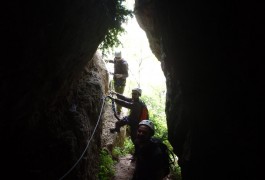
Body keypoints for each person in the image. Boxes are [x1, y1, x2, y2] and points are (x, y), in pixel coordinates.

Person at [107, 88, 149, 158]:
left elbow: (125, 104)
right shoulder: (134, 100)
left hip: (135, 122)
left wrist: (114, 99)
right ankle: (117, 130)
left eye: (135, 94)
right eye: (132, 93)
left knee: (134, 138)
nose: (133, 95)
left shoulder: (138, 104)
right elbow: (125, 98)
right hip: (130, 118)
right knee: (118, 123)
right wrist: (116, 94)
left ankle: (136, 154)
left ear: (139, 95)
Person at [106, 51, 129, 115]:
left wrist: (121, 75)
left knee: (120, 96)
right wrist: (109, 61)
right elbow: (115, 62)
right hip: (116, 80)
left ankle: (119, 110)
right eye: (116, 58)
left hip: (121, 82)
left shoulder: (124, 64)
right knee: (116, 94)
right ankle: (117, 107)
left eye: (118, 58)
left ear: (121, 57)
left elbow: (127, 75)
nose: (117, 59)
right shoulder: (115, 59)